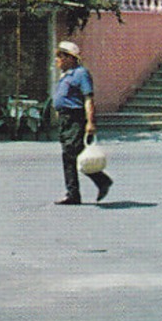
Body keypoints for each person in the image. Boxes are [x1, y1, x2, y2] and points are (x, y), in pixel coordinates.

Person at [51, 40, 112, 205]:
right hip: (66, 119)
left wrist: (90, 122)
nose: (57, 60)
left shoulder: (81, 73)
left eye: (60, 56)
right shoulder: (66, 75)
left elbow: (88, 99)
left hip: (75, 118)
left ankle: (81, 190)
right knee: (72, 154)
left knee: (72, 154)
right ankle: (89, 186)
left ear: (70, 58)